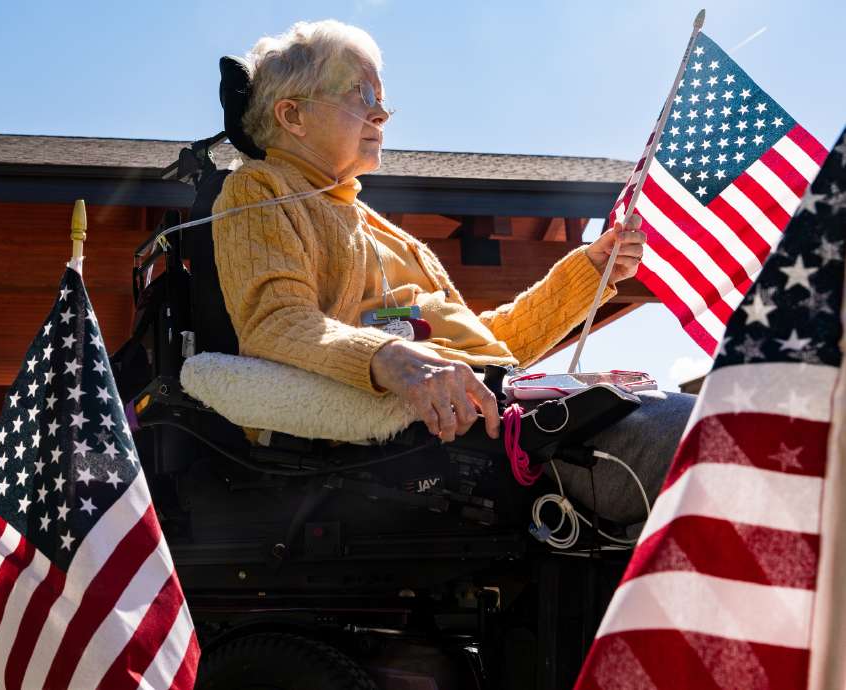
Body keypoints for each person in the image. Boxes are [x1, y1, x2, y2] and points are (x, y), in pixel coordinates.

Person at [211, 19, 694, 525]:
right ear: (293, 115)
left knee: (698, 428)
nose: (382, 111)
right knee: (703, 436)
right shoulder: (260, 190)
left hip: (502, 403)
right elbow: (276, 323)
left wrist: (588, 272)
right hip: (473, 438)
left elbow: (488, 344)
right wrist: (394, 358)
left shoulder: (381, 229)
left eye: (382, 97)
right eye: (362, 93)